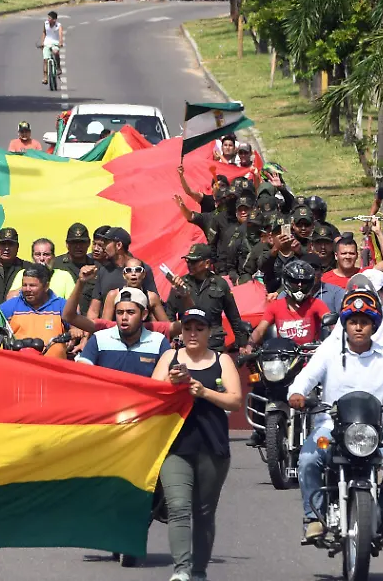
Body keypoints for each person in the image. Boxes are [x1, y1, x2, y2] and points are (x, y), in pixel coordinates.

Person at [290, 288, 383, 540]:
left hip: (376, 428)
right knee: (307, 459)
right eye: (353, 322)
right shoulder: (328, 351)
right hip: (330, 425)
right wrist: (297, 394)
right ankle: (314, 516)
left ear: (374, 326)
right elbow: (305, 378)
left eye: (364, 322)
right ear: (345, 325)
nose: (359, 327)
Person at [151, 308, 242, 581]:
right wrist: (172, 382)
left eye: (198, 329)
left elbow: (235, 400)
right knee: (178, 508)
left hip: (211, 446)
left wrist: (204, 392)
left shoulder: (222, 361)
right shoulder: (170, 357)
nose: (192, 333)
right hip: (174, 447)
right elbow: (152, 394)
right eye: (188, 328)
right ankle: (181, 571)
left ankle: (199, 572)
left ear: (208, 332)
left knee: (203, 512)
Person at [166, 243, 250, 352]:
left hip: (214, 343)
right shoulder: (180, 284)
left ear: (207, 263)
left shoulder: (220, 284)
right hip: (187, 341)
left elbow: (233, 316)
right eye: (188, 261)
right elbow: (169, 313)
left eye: (194, 261)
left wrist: (242, 344)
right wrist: (173, 337)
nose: (190, 264)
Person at [76, 287, 172, 377]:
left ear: (144, 314)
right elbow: (82, 374)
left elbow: (169, 377)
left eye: (130, 312)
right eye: (119, 312)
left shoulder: (159, 342)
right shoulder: (99, 339)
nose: (124, 318)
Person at [247, 259, 332, 350]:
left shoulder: (317, 304)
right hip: (283, 358)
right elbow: (259, 330)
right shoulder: (275, 306)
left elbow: (331, 323)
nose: (299, 285)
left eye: (304, 282)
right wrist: (249, 346)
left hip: (310, 357)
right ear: (287, 281)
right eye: (295, 281)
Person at [0, 263, 68, 358]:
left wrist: (76, 332)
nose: (27, 289)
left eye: (32, 285)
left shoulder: (61, 305)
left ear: (46, 286)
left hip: (54, 366)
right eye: (24, 285)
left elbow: (76, 326)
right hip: (19, 363)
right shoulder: (12, 305)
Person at [87, 227, 159, 319]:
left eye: (106, 243)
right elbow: (94, 310)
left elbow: (153, 306)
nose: (103, 247)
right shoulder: (103, 271)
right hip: (110, 330)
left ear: (118, 245)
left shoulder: (141, 269)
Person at [6, 238, 76, 301]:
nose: (42, 259)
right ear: (32, 257)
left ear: (53, 257)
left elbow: (74, 307)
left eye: (46, 254)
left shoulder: (64, 276)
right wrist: (29, 285)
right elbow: (9, 299)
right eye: (38, 254)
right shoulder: (23, 274)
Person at [101, 257, 169, 322]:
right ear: (124, 275)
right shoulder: (113, 295)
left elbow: (167, 326)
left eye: (138, 270)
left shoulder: (151, 297)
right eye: (128, 270)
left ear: (143, 274)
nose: (133, 274)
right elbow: (105, 325)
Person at [40, 11, 64, 85]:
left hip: (55, 42)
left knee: (56, 52)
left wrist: (60, 42)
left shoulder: (58, 25)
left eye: (50, 18)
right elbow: (44, 32)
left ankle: (58, 67)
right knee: (45, 60)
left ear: (54, 19)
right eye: (48, 18)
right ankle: (45, 77)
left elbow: (60, 34)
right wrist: (42, 43)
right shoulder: (45, 24)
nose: (48, 19)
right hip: (47, 43)